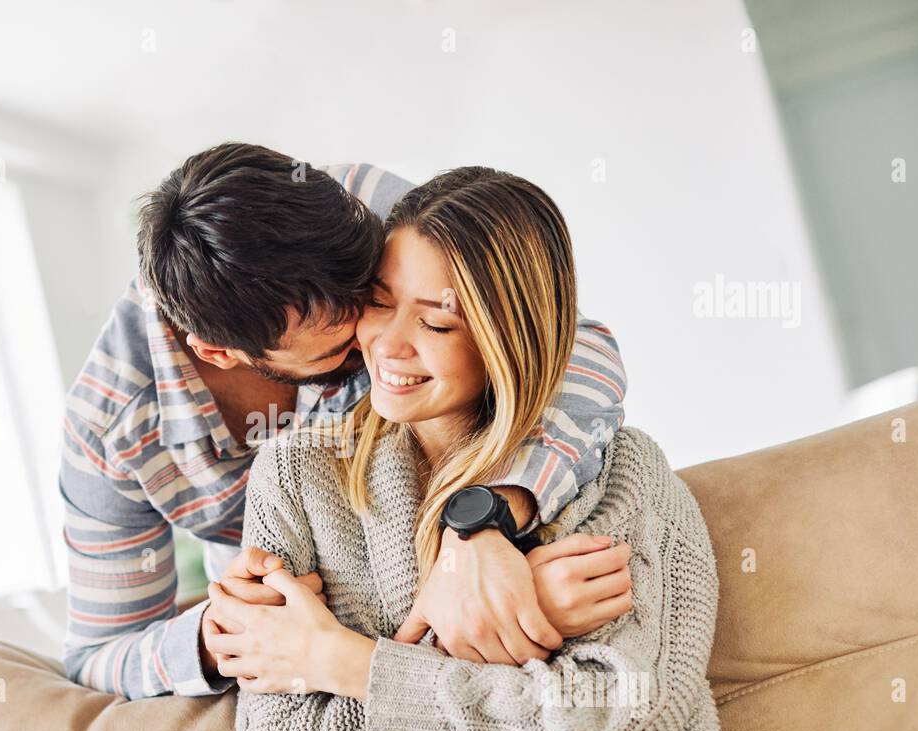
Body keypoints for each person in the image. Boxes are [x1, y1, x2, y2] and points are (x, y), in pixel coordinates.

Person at [214, 166, 807, 731]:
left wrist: (347, 662)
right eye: (377, 304)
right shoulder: (297, 476)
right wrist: (482, 651)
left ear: (508, 335)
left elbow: (625, 720)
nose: (392, 344)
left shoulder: (623, 478)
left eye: (437, 321)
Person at [60, 143, 631, 699]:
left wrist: (482, 518)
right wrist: (219, 637)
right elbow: (96, 655)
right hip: (300, 646)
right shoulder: (109, 430)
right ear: (217, 352)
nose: (378, 342)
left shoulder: (352, 209)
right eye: (340, 346)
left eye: (375, 298)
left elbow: (562, 339)